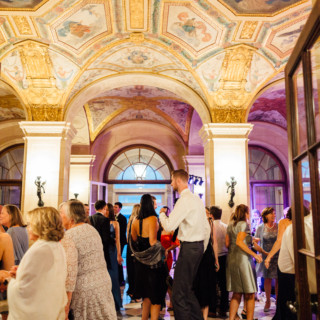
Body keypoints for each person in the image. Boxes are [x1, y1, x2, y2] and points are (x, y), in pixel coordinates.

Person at [159, 169, 210, 320]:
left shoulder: (184, 200)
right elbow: (206, 229)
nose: (171, 183)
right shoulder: (197, 200)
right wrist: (201, 248)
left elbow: (168, 226)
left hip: (189, 248)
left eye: (172, 180)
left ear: (179, 181)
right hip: (198, 247)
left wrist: (161, 214)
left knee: (178, 295)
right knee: (186, 290)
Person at [7, 206, 67, 320]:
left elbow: (24, 291)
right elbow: (44, 278)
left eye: (30, 224)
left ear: (40, 225)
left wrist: (11, 281)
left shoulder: (41, 249)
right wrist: (21, 272)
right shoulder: (54, 245)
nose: (28, 228)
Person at [60, 200, 116, 320]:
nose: (60, 216)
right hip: (102, 284)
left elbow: (70, 273)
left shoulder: (69, 236)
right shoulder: (91, 230)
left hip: (84, 292)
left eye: (61, 213)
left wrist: (65, 306)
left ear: (71, 217)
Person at [131, 194, 167, 320]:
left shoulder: (135, 220)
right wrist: (164, 250)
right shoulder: (153, 218)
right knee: (156, 297)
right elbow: (152, 242)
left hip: (141, 263)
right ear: (151, 205)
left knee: (146, 296)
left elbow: (134, 239)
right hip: (153, 263)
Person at [226, 204, 262, 320]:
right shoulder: (244, 224)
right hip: (243, 260)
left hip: (231, 259)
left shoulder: (230, 225)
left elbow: (227, 244)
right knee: (250, 293)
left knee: (237, 293)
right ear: (246, 213)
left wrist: (249, 240)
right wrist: (254, 255)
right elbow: (239, 242)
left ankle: (231, 318)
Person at [276, 206, 312, 320]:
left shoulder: (299, 227)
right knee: (289, 302)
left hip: (290, 269)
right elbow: (294, 254)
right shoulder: (293, 229)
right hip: (288, 271)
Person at [194, 205, 219, 320]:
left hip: (208, 257)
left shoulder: (210, 223)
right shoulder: (195, 223)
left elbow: (214, 242)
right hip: (197, 256)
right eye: (205, 212)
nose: (207, 215)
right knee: (198, 286)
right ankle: (197, 314)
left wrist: (216, 260)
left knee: (208, 286)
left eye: (208, 213)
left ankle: (204, 316)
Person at [255, 207, 278, 312]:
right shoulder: (260, 227)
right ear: (266, 216)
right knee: (267, 278)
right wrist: (259, 253)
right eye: (271, 214)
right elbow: (255, 241)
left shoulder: (278, 226)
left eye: (274, 213)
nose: (274, 215)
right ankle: (268, 301)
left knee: (278, 279)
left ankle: (278, 300)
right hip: (265, 256)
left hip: (278, 255)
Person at [159, 206, 179, 311]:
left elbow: (176, 243)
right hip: (158, 256)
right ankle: (160, 302)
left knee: (167, 280)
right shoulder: (157, 228)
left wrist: (167, 249)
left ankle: (172, 302)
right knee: (159, 280)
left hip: (167, 257)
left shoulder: (170, 230)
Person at [210, 206, 229, 318]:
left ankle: (212, 309)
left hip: (213, 257)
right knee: (224, 284)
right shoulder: (225, 227)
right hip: (224, 256)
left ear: (211, 215)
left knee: (212, 283)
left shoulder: (210, 226)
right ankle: (223, 308)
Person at [105, 203, 123, 311]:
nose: (105, 212)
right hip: (103, 251)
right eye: (105, 210)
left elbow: (118, 240)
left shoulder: (115, 223)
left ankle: (116, 303)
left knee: (113, 277)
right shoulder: (101, 222)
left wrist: (119, 255)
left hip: (112, 252)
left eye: (107, 210)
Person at [89, 200, 111, 267]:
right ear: (104, 208)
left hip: (92, 247)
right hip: (102, 248)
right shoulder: (105, 219)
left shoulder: (89, 218)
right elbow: (106, 237)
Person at [126, 204, 141, 302]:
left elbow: (128, 237)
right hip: (135, 248)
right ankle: (135, 293)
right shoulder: (137, 221)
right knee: (136, 271)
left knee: (131, 270)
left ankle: (131, 291)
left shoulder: (130, 220)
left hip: (129, 248)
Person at [114, 202, 127, 286]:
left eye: (116, 207)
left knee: (119, 258)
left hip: (120, 241)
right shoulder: (111, 217)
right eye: (113, 207)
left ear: (120, 208)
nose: (114, 208)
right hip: (114, 241)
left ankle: (121, 279)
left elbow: (122, 231)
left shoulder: (122, 218)